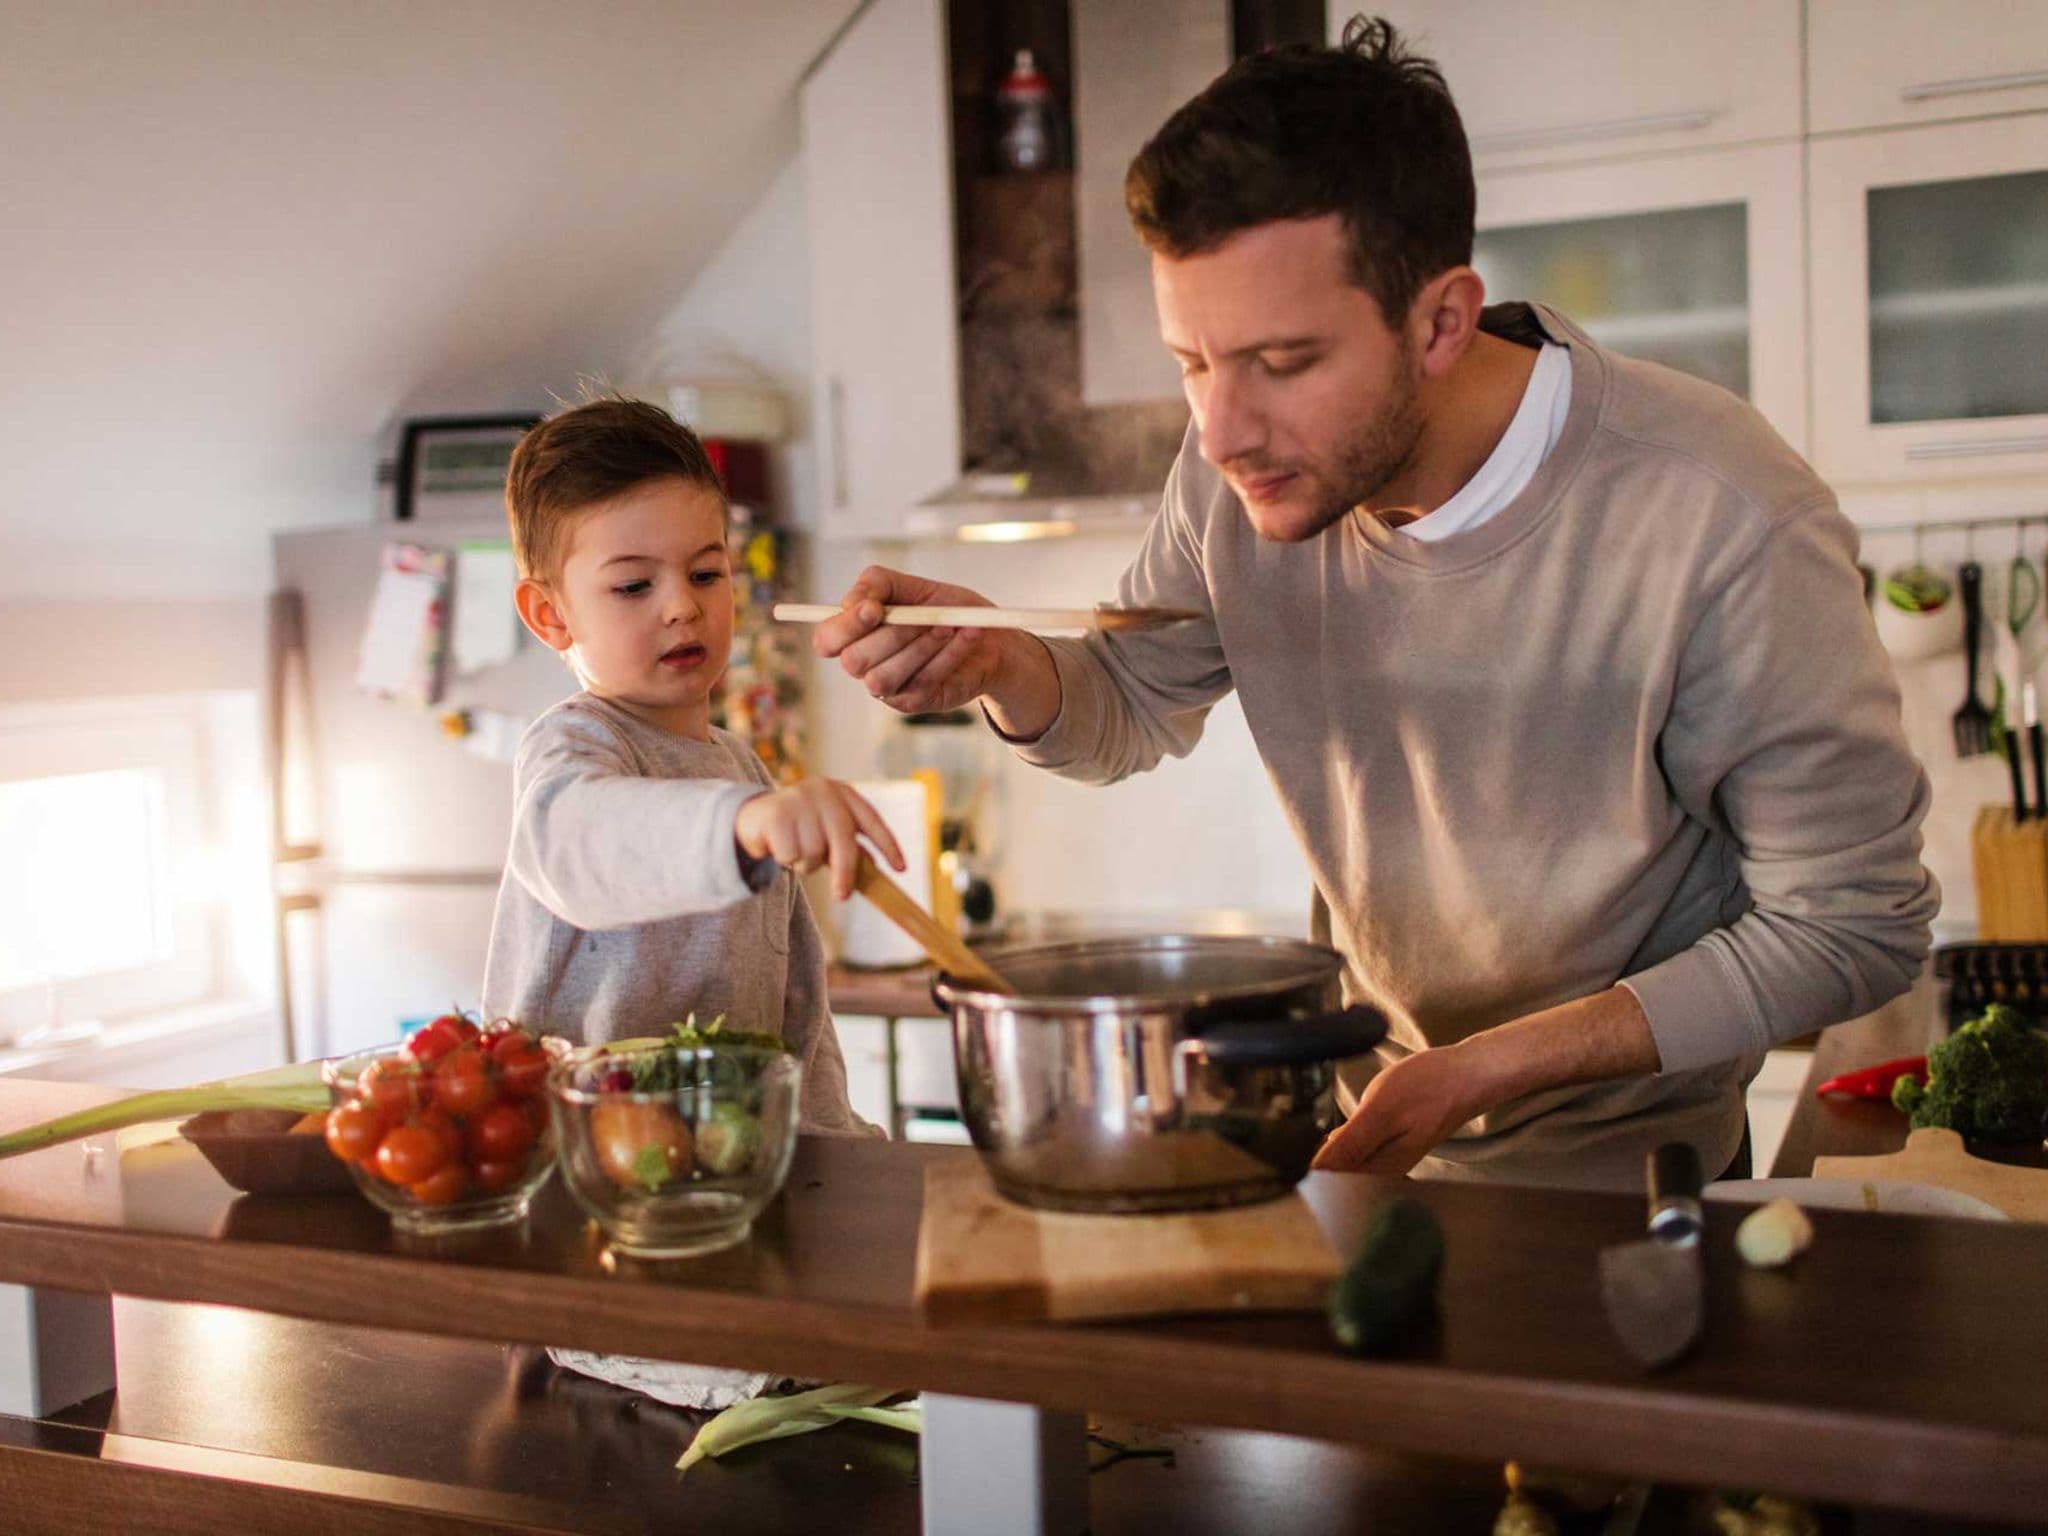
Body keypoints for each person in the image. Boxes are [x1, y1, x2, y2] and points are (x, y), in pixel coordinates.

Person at [812, 18, 1938, 1190]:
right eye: (1191, 361)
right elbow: (1129, 704)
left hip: (1630, 1181)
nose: (1216, 430)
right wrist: (997, 664)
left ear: (1441, 320)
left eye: (1282, 362)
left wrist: (1479, 1071)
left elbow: (1851, 926)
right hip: (1370, 1145)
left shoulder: (1715, 510)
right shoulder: (1235, 476)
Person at [481, 397, 901, 1136]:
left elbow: (796, 1008)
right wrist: (744, 823)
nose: (682, 606)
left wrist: (836, 1144)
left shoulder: (740, 768)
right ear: (551, 616)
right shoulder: (571, 747)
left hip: (731, 1173)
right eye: (635, 585)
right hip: (584, 1183)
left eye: (707, 573)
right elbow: (583, 842)